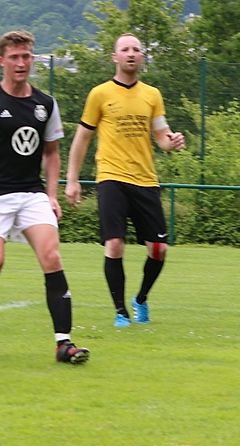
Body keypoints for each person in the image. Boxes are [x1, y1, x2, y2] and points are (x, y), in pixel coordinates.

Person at [0, 30, 89, 364]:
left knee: (52, 257)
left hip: (30, 193)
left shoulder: (46, 104)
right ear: (1, 61)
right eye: (14, 57)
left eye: (26, 56)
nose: (21, 63)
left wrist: (51, 195)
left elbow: (52, 153)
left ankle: (64, 344)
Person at [65, 33, 186, 328]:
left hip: (145, 180)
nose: (131, 53)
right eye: (125, 49)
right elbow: (82, 138)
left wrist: (172, 142)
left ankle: (140, 299)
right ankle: (121, 312)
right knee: (115, 244)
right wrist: (72, 179)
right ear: (114, 56)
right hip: (111, 177)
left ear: (142, 56)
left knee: (158, 249)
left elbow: (161, 136)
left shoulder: (152, 95)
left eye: (136, 49)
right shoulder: (99, 94)